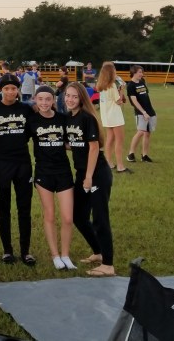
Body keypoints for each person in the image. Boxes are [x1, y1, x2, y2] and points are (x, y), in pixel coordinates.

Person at [65, 82, 115, 278]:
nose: (70, 99)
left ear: (81, 99)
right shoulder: (69, 118)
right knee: (78, 216)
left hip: (97, 174)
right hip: (82, 173)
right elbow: (76, 143)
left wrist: (88, 178)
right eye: (68, 95)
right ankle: (98, 252)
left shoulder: (87, 118)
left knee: (100, 218)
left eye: (74, 96)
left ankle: (108, 265)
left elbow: (94, 148)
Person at [0, 73, 36, 265]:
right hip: (1, 163)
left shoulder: (26, 109)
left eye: (13, 88)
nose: (10, 92)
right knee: (3, 207)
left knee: (24, 207)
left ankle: (25, 251)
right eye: (6, 88)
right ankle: (7, 250)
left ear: (18, 90)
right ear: (1, 89)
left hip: (23, 162)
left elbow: (33, 132)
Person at [28, 85, 76, 270]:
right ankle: (55, 255)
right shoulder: (32, 120)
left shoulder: (63, 119)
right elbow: (18, 139)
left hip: (63, 172)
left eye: (48, 99)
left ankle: (65, 254)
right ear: (35, 99)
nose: (44, 103)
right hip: (43, 173)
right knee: (49, 215)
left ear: (53, 100)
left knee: (67, 217)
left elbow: (70, 142)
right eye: (40, 99)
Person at [96, 62, 131, 174]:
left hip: (106, 116)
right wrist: (122, 89)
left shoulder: (101, 86)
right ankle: (120, 166)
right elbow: (119, 101)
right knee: (119, 140)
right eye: (114, 69)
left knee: (110, 139)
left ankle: (109, 162)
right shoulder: (112, 85)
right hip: (115, 116)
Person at [126, 65, 157, 163]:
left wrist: (150, 111)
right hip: (140, 112)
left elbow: (146, 95)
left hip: (150, 111)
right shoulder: (130, 85)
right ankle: (130, 154)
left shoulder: (142, 82)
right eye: (139, 72)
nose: (141, 74)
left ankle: (144, 155)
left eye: (142, 72)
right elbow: (134, 101)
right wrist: (143, 112)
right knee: (140, 132)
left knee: (147, 133)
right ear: (134, 73)